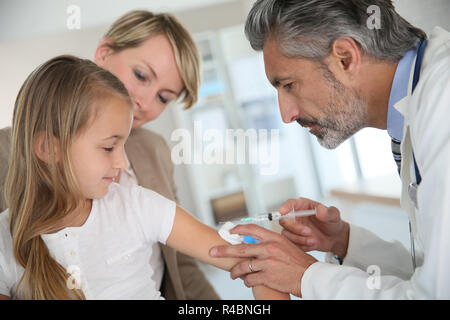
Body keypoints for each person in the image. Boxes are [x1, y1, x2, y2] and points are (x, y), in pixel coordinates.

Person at [210, 0, 450, 299]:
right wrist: (344, 243)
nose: (286, 114)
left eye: (287, 84)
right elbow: (429, 277)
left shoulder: (444, 108)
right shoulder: (419, 109)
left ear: (345, 58)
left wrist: (306, 276)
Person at [0, 55, 288, 300]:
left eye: (123, 146)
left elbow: (253, 260)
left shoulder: (137, 206)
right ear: (49, 149)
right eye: (109, 147)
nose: (123, 162)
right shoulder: (5, 241)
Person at [0, 10, 218, 300]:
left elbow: (181, 262)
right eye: (141, 75)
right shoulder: (7, 150)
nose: (144, 101)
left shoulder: (155, 150)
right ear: (103, 54)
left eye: (163, 98)